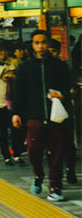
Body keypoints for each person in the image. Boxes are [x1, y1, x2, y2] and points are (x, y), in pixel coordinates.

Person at [12, 30, 72, 202]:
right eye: (37, 43)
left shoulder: (59, 66)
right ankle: (38, 175)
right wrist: (16, 113)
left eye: (43, 42)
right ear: (32, 45)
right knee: (34, 150)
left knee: (56, 152)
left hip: (56, 117)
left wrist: (62, 95)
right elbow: (19, 93)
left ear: (48, 44)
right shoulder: (25, 67)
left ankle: (55, 187)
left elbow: (68, 89)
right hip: (34, 116)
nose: (41, 46)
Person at [47, 38, 78, 185]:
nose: (51, 53)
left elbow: (73, 88)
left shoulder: (65, 67)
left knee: (67, 143)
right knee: (52, 145)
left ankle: (70, 170)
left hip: (64, 111)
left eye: (54, 51)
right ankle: (55, 173)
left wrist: (64, 94)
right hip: (47, 111)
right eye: (50, 50)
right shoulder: (42, 68)